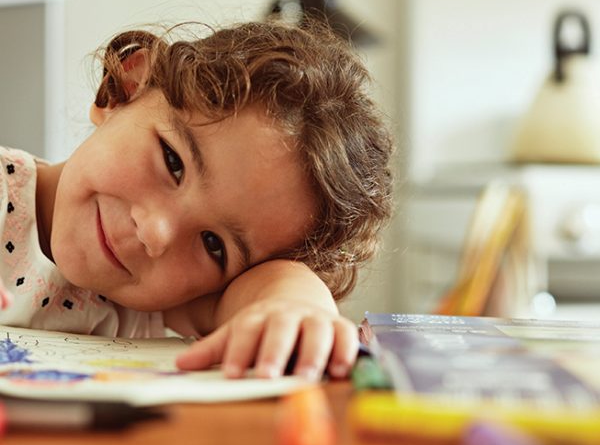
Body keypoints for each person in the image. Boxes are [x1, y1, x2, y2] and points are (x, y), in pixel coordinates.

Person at [0, 19, 393, 380]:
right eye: (173, 162)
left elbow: (273, 285)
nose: (155, 233)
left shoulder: (170, 302)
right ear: (125, 87)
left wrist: (298, 305)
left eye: (213, 245)